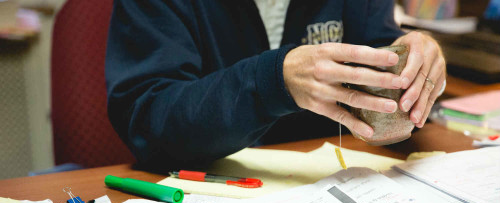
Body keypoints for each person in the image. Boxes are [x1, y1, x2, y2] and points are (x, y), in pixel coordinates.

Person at [105, 0, 446, 170]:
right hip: (203, 198)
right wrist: (271, 80)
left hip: (336, 195)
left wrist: (418, 69)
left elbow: (384, 63)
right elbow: (148, 119)